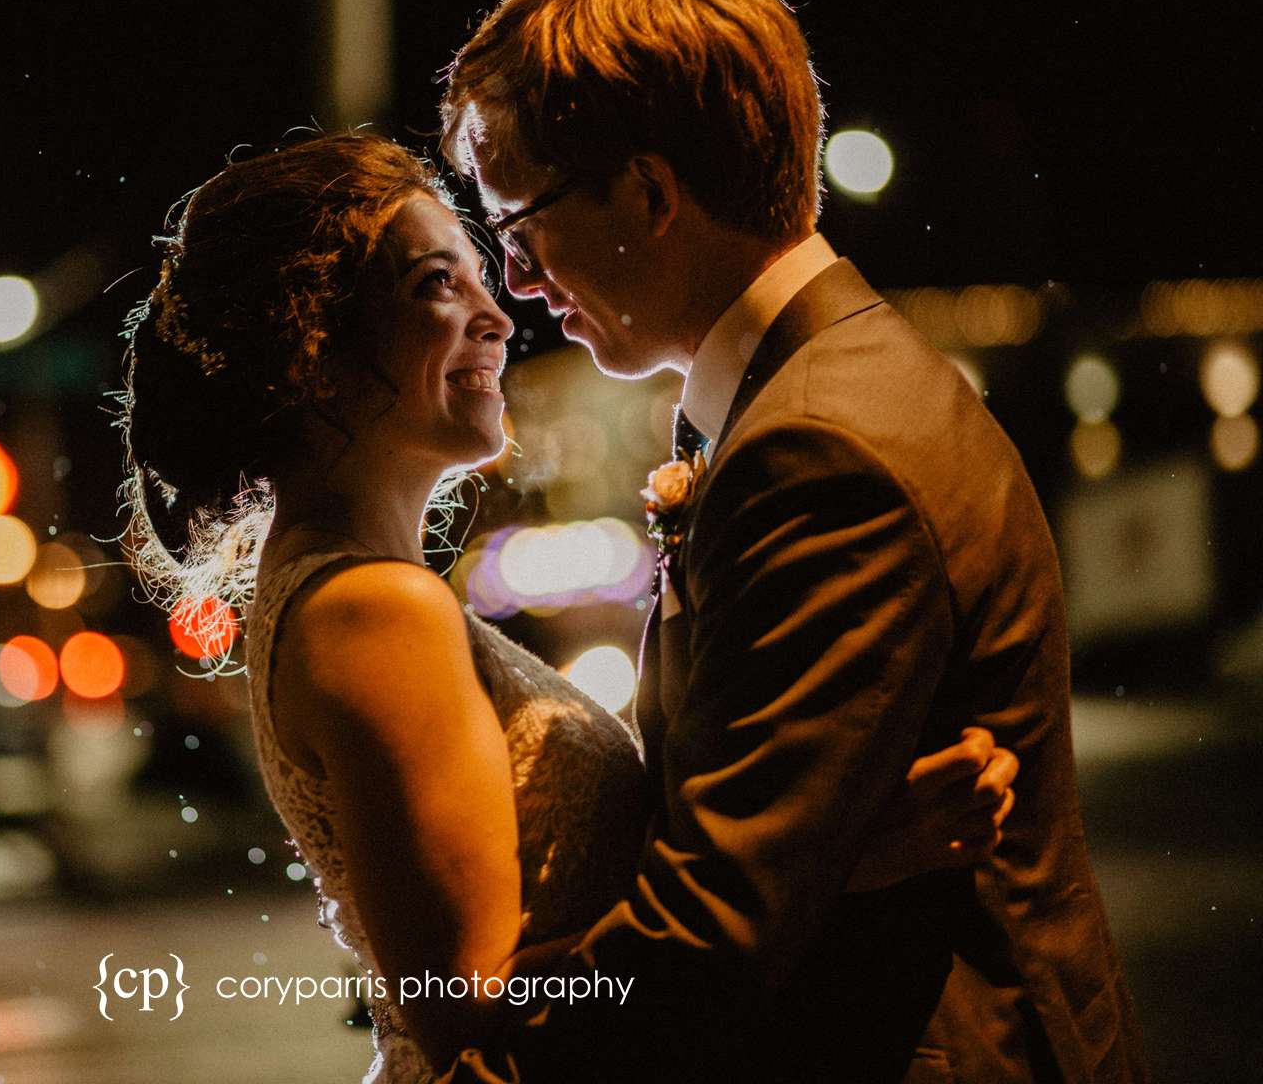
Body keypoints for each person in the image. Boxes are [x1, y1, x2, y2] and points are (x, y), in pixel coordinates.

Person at [117, 133, 1020, 1082]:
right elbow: (468, 1018)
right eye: (436, 284)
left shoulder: (342, 589)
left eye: (479, 276)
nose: (496, 316)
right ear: (312, 348)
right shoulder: (375, 610)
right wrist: (828, 878)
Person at [437, 0, 1145, 1083]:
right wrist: (843, 849)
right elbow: (770, 843)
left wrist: (476, 1076)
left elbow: (713, 925)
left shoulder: (817, 446)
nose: (515, 279)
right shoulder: (818, 389)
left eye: (520, 224)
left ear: (651, 191)